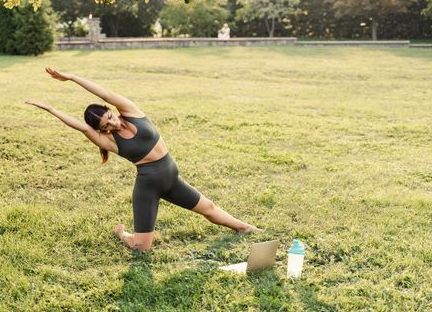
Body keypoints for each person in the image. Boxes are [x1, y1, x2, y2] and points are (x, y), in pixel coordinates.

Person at [25, 67, 260, 251]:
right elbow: (82, 128)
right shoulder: (110, 141)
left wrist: (72, 77)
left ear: (111, 110)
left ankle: (246, 228)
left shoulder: (130, 110)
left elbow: (104, 93)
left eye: (110, 116)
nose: (113, 123)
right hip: (148, 186)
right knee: (142, 248)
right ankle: (123, 234)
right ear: (103, 131)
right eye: (106, 125)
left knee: (208, 208)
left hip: (171, 178)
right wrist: (51, 109)